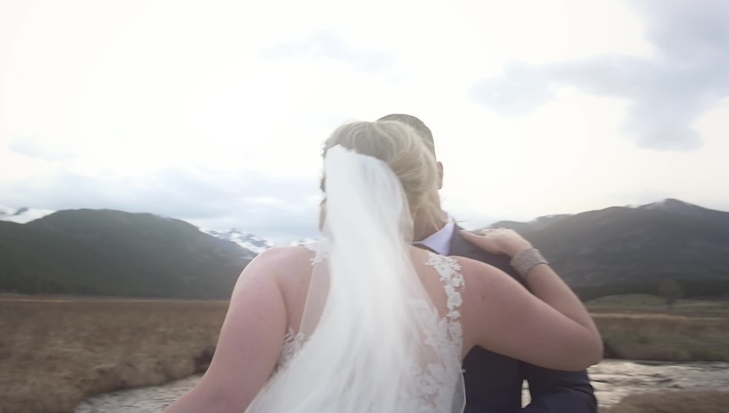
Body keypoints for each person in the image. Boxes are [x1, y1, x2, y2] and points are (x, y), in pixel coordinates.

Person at [164, 120, 602, 413]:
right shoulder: (469, 285)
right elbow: (583, 348)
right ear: (424, 187)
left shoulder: (275, 271)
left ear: (331, 183)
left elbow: (220, 401)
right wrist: (529, 256)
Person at [378, 113, 598, 413]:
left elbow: (568, 390)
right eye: (384, 178)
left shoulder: (507, 265)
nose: (400, 191)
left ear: (438, 174)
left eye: (409, 173)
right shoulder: (334, 274)